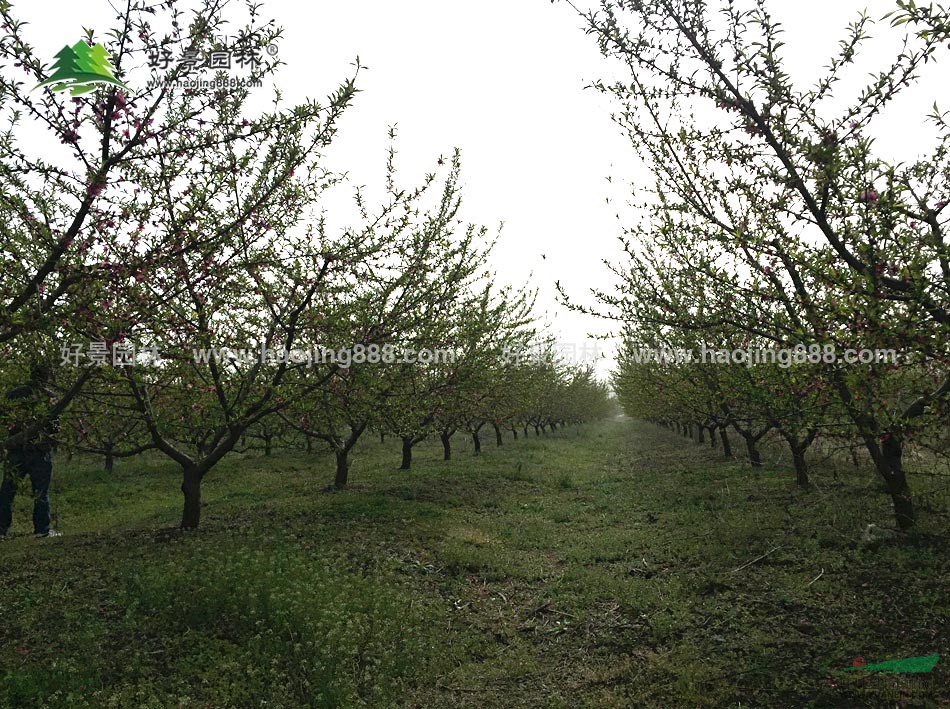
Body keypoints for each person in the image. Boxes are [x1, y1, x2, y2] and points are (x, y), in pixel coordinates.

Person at [0, 363, 61, 538]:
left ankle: (1, 530)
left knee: (7, 491)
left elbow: (5, 417)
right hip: (39, 451)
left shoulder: (14, 394)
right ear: (47, 376)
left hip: (16, 450)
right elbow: (54, 426)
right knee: (40, 492)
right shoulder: (49, 397)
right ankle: (41, 530)